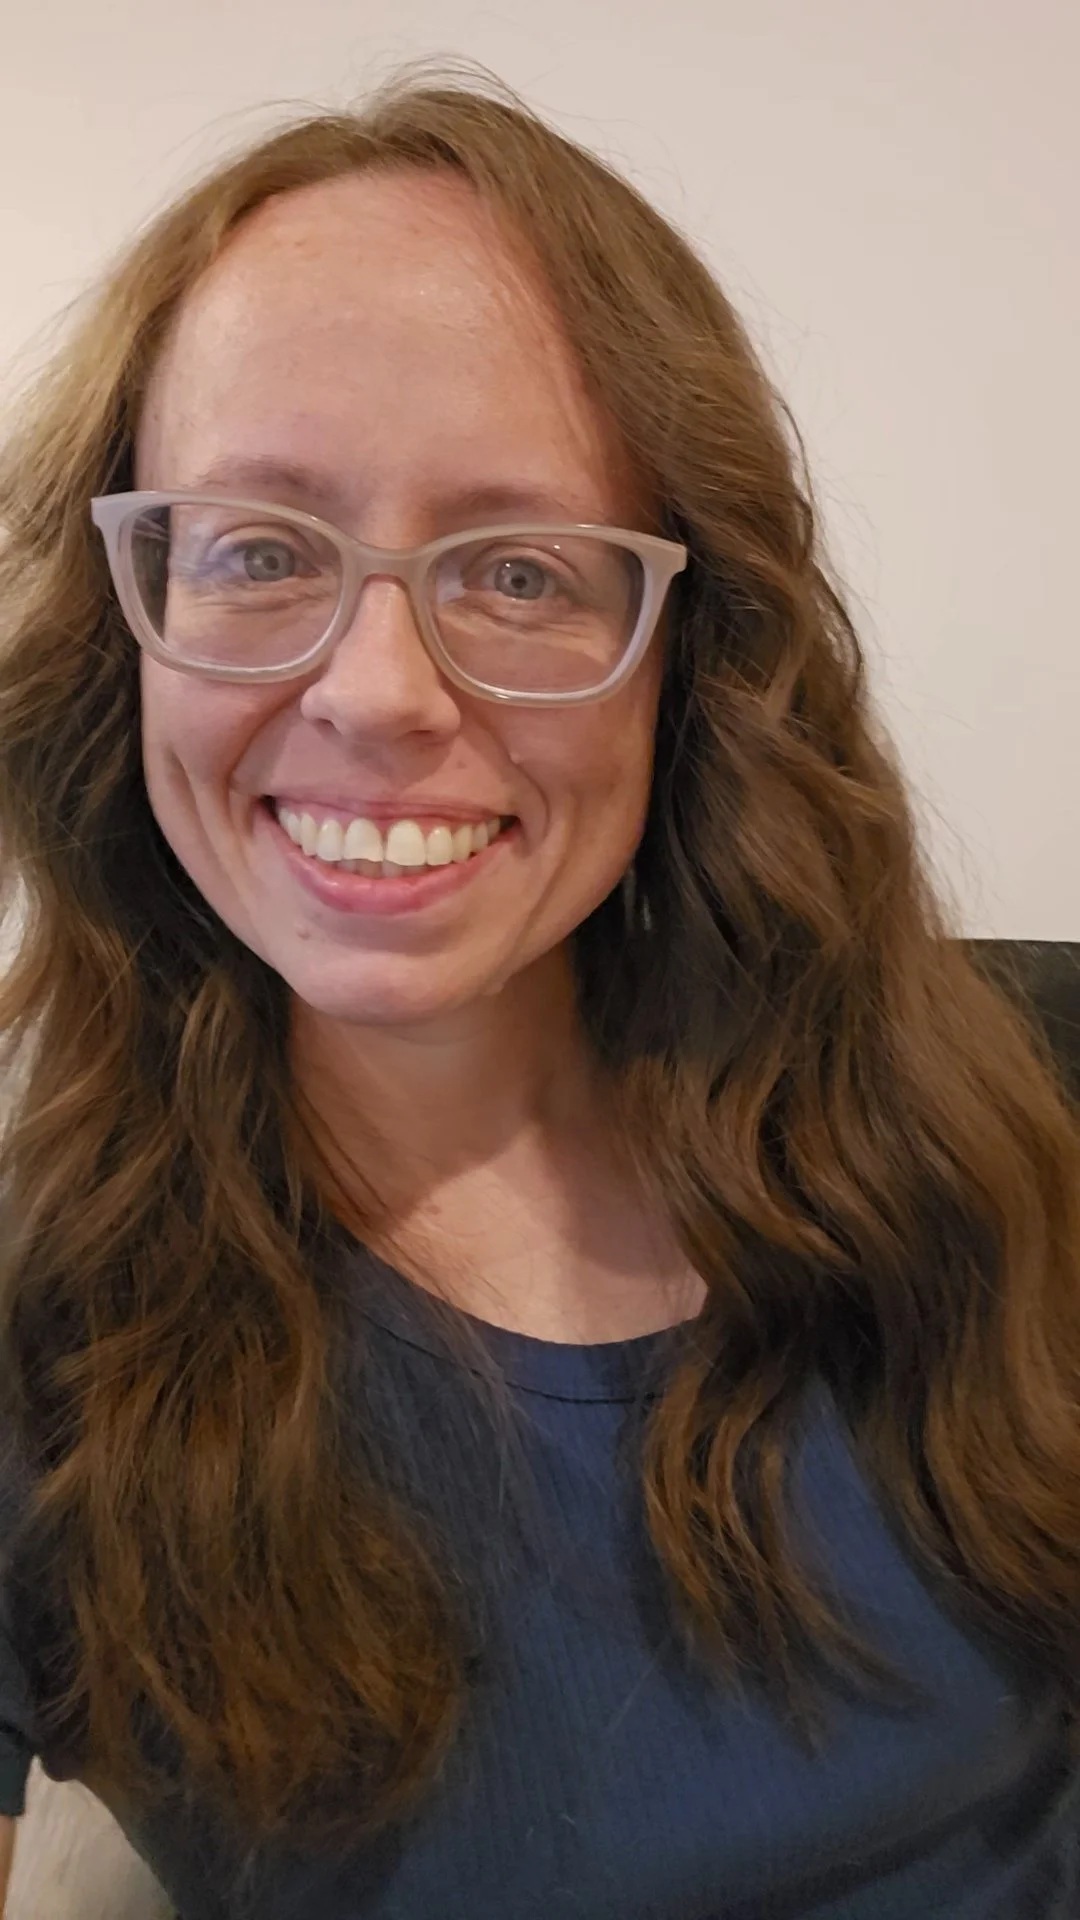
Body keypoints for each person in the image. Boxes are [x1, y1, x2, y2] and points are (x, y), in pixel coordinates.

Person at [0, 59, 1078, 1920]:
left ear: (688, 653)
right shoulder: (41, 1337)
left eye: (518, 570)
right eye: (260, 549)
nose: (383, 692)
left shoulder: (1023, 1091)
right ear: (126, 623)